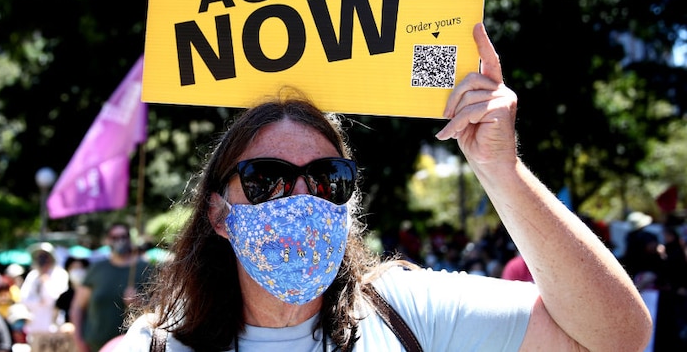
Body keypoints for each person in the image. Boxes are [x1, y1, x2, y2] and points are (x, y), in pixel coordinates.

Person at [118, 23, 652, 351]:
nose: (301, 198)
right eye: (266, 180)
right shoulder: (155, 347)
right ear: (218, 215)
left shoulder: (409, 314)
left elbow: (617, 338)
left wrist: (501, 170)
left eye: (328, 178)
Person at [70, 223, 152, 352]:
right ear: (108, 240)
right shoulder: (97, 269)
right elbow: (78, 307)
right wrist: (79, 340)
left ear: (130, 239)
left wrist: (140, 302)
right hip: (94, 346)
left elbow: (159, 309)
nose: (119, 241)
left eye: (123, 236)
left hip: (133, 347)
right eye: (114, 237)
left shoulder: (145, 269)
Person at [19, 242, 70, 337]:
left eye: (45, 256)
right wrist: (38, 301)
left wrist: (46, 282)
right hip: (35, 325)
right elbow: (24, 298)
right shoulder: (33, 275)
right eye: (39, 257)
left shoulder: (60, 274)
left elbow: (57, 300)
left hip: (53, 324)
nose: (42, 260)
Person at [56, 256, 90, 327]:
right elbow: (55, 318)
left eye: (80, 268)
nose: (77, 271)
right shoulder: (64, 297)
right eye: (74, 268)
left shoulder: (92, 295)